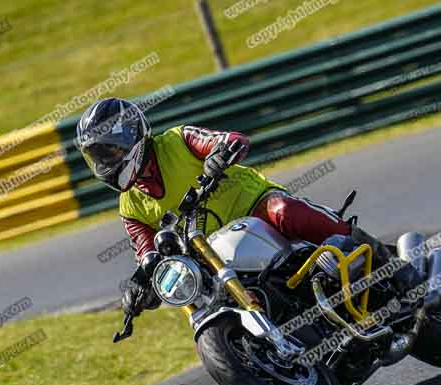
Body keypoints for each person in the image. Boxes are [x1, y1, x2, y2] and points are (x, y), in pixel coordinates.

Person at [76, 98, 410, 316]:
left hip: (254, 208)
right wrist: (139, 286)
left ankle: (385, 261)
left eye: (109, 152)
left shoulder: (176, 141)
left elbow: (229, 139)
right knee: (194, 295)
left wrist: (219, 155)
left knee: (286, 211)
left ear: (130, 137)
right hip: (215, 255)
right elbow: (147, 254)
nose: (105, 162)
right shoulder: (130, 205)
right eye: (98, 157)